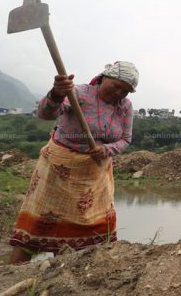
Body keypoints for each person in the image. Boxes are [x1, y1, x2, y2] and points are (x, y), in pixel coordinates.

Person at [9, 61, 138, 264]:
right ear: (104, 77)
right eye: (116, 86)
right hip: (58, 170)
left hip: (95, 174)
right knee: (40, 223)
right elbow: (45, 114)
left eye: (126, 91)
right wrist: (57, 94)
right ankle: (11, 274)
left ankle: (68, 271)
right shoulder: (78, 93)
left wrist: (107, 149)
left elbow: (126, 139)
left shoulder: (125, 107)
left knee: (94, 225)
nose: (119, 93)